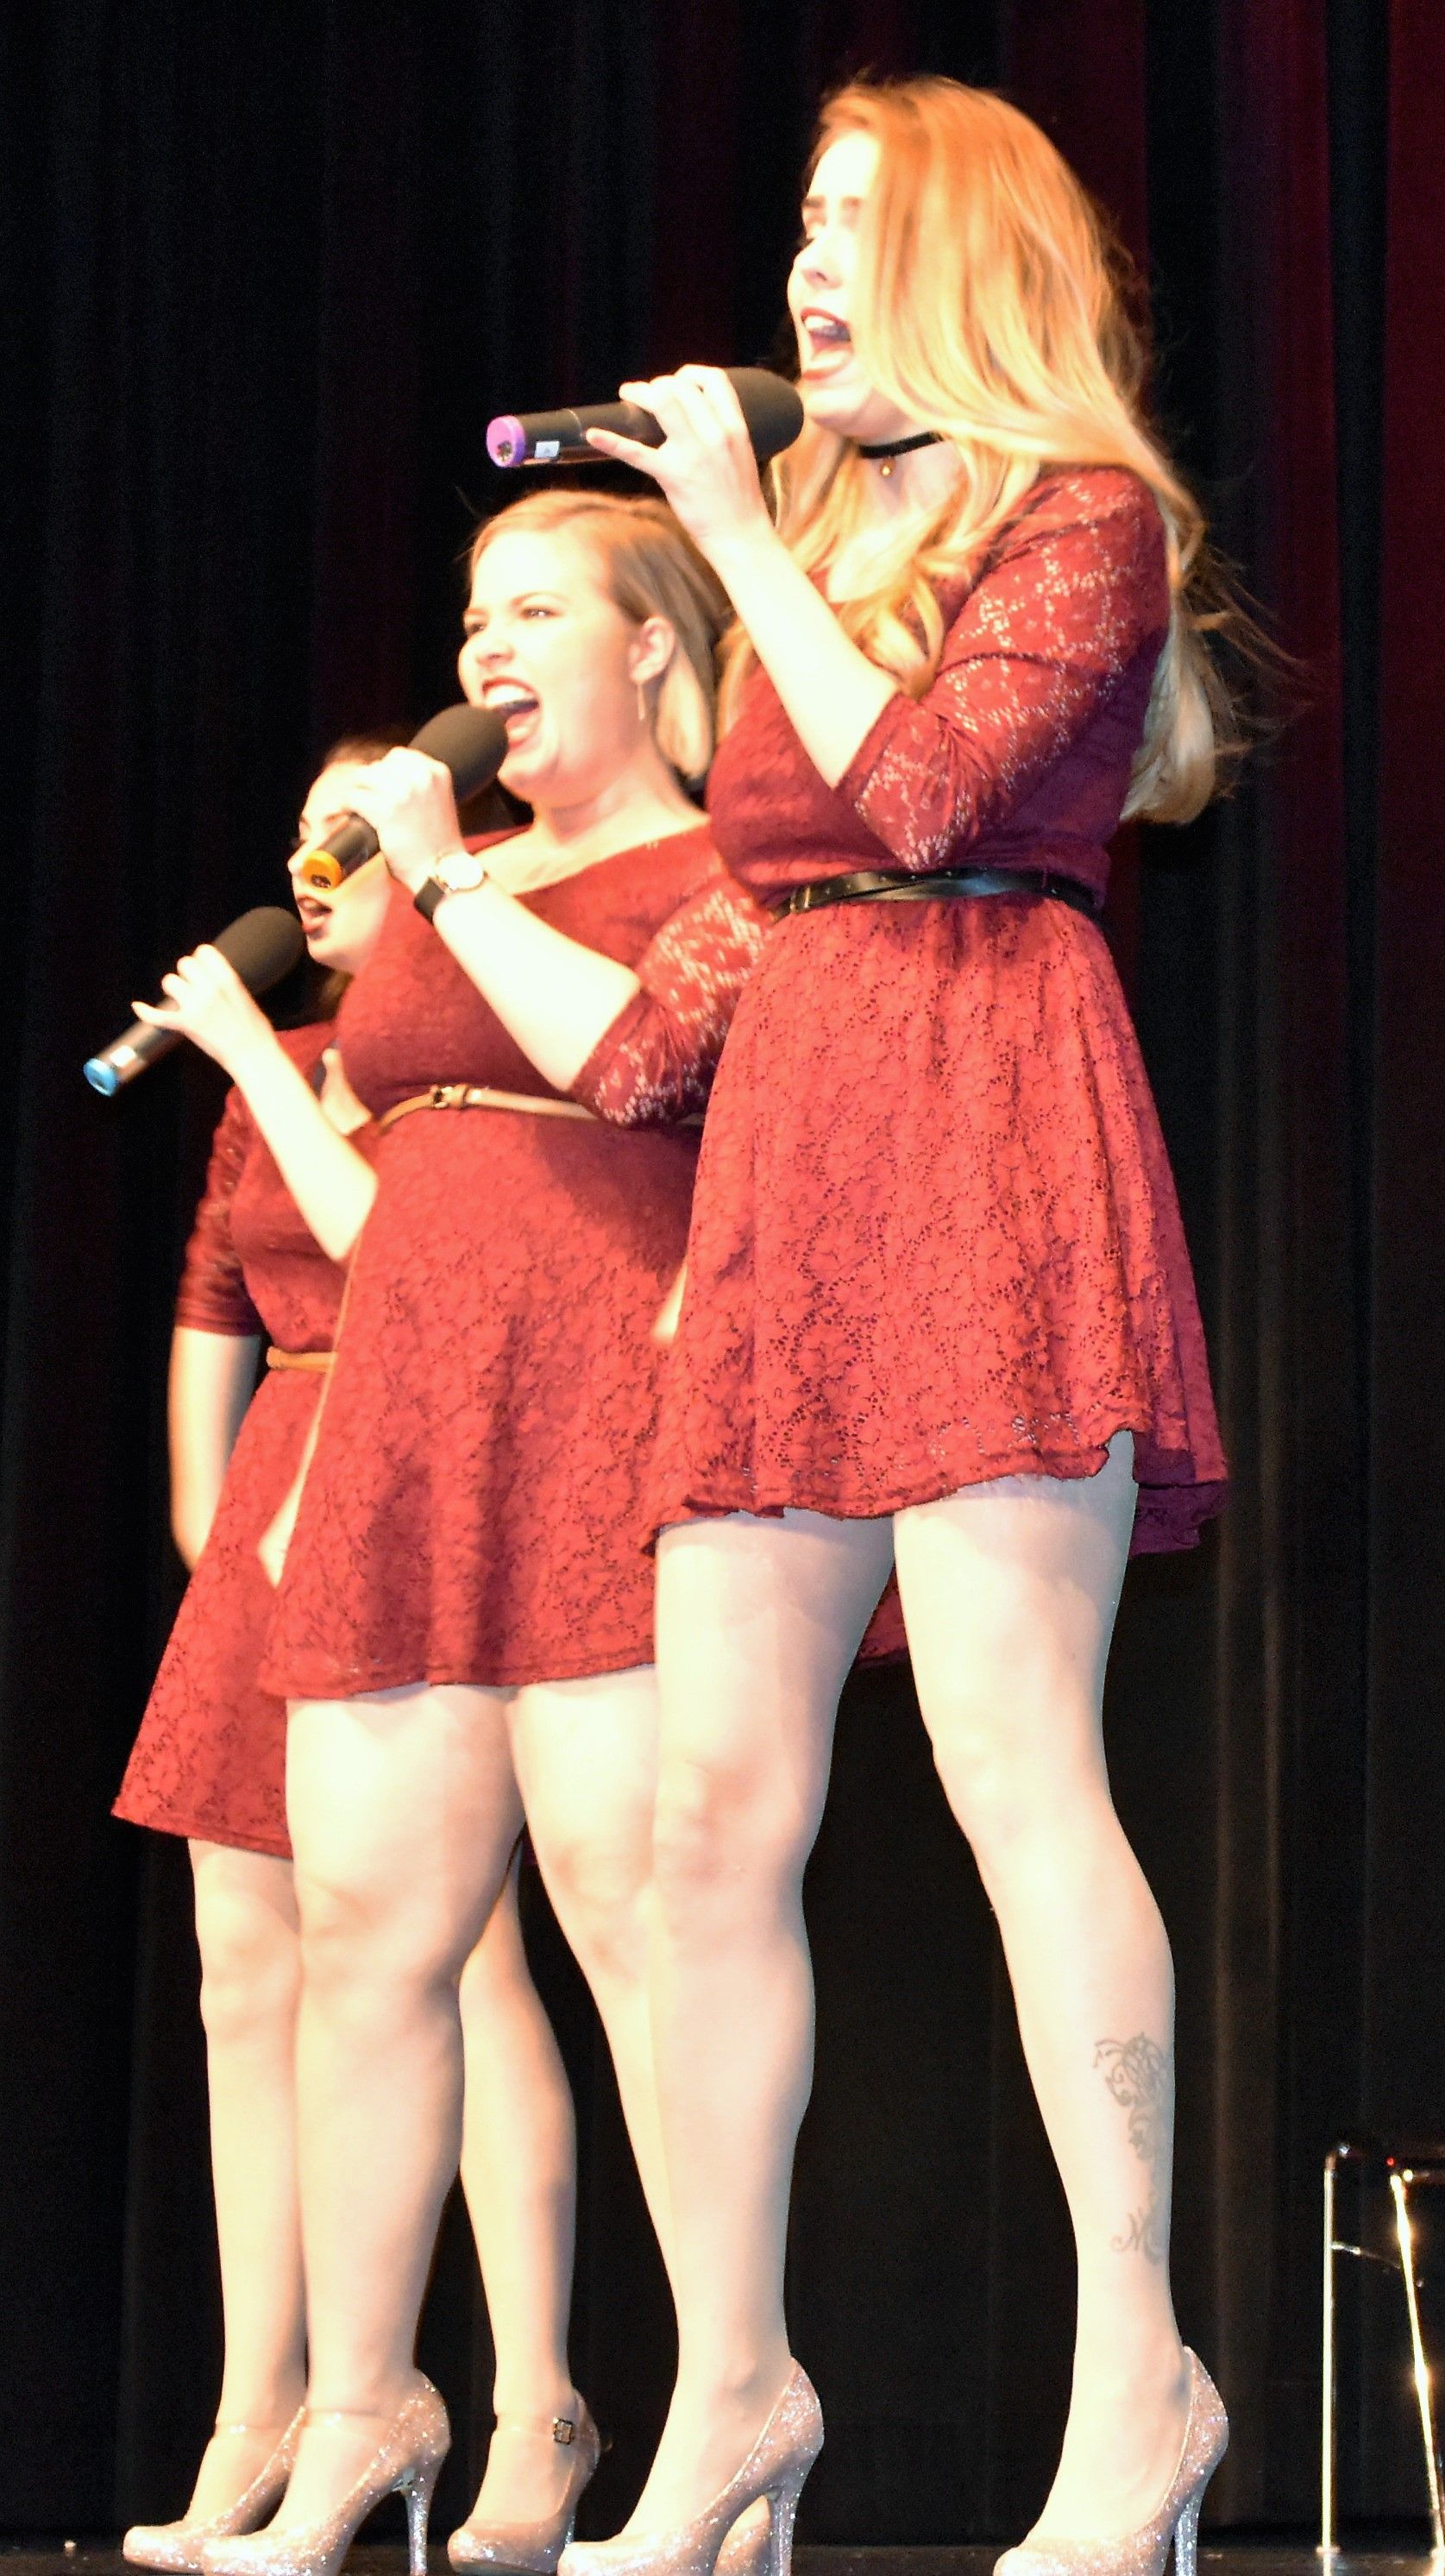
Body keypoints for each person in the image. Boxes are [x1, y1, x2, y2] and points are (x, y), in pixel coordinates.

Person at [560, 74, 1233, 2576]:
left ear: (963, 253)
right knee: (699, 1815)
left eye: (855, 220)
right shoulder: (826, 542)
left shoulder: (1082, 513)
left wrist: (737, 536)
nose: (806, 263)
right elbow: (738, 923)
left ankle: (1138, 2375)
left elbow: (931, 802)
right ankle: (733, 2389)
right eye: (801, 217)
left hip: (982, 1108)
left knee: (1007, 1761)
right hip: (792, 1167)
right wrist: (483, 986)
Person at [140, 492, 772, 2576]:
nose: (484, 649)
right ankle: (361, 2407)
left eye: (535, 612)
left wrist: (443, 872)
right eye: (472, 614)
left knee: (634, 1923)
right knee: (361, 1932)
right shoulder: (445, 883)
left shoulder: (722, 870)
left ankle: (725, 2398)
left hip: (601, 1414)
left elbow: (644, 1073)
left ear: (652, 645)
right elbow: (377, 1197)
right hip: (410, 1426)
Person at [116, 744, 586, 2573]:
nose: (310, 873)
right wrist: (208, 1514)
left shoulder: (462, 1060)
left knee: (460, 1957)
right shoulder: (281, 1060)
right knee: (251, 1966)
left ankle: (536, 2404)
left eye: (349, 839)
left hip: (421, 1473)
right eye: (301, 841)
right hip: (271, 1505)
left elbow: (394, 1258)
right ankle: (265, 2401)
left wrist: (251, 1056)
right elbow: (217, 1291)